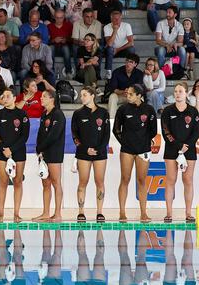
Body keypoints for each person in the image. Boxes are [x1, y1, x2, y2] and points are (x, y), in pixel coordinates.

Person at [113, 84, 157, 223]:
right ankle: (122, 212)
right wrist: (125, 142)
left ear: (139, 95)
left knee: (142, 181)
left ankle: (143, 213)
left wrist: (144, 142)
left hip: (143, 150)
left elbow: (153, 131)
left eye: (131, 94)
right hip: (127, 150)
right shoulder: (123, 109)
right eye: (127, 93)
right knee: (125, 179)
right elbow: (116, 129)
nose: (128, 96)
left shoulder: (149, 110)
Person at [71, 85, 111, 224]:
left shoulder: (103, 112)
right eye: (81, 95)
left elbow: (106, 135)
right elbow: (75, 135)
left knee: (99, 181)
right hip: (83, 153)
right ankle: (81, 212)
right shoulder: (78, 114)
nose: (82, 98)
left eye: (84, 95)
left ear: (92, 96)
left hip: (100, 153)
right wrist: (85, 149)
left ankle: (100, 212)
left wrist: (99, 149)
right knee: (83, 181)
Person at [161, 82, 199, 223]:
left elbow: (196, 132)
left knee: (188, 181)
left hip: (188, 150)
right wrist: (178, 146)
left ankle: (188, 213)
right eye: (176, 91)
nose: (177, 93)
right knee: (170, 180)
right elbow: (166, 132)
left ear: (186, 93)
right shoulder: (167, 111)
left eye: (180, 91)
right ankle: (169, 213)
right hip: (172, 149)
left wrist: (187, 146)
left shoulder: (193, 111)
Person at [0, 87, 29, 222]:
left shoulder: (22, 114)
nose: (4, 99)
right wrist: (3, 148)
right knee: (3, 181)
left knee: (17, 181)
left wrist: (11, 149)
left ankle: (16, 213)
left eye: (7, 96)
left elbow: (24, 136)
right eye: (3, 96)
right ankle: (1, 213)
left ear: (14, 98)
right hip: (1, 152)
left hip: (18, 152)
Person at [34, 89, 66, 223]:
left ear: (52, 99)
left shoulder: (58, 114)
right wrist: (39, 149)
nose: (41, 98)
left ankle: (57, 213)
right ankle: (46, 213)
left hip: (54, 152)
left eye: (44, 97)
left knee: (56, 182)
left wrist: (40, 147)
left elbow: (54, 135)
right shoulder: (44, 114)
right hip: (43, 153)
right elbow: (41, 134)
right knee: (45, 183)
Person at [153, 5, 186, 71]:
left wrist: (175, 44)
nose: (167, 14)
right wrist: (166, 45)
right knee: (161, 50)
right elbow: (158, 40)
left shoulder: (179, 26)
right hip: (162, 47)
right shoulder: (160, 23)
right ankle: (161, 72)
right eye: (167, 12)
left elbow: (180, 42)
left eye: (169, 12)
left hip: (174, 48)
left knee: (182, 50)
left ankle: (181, 72)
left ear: (175, 15)